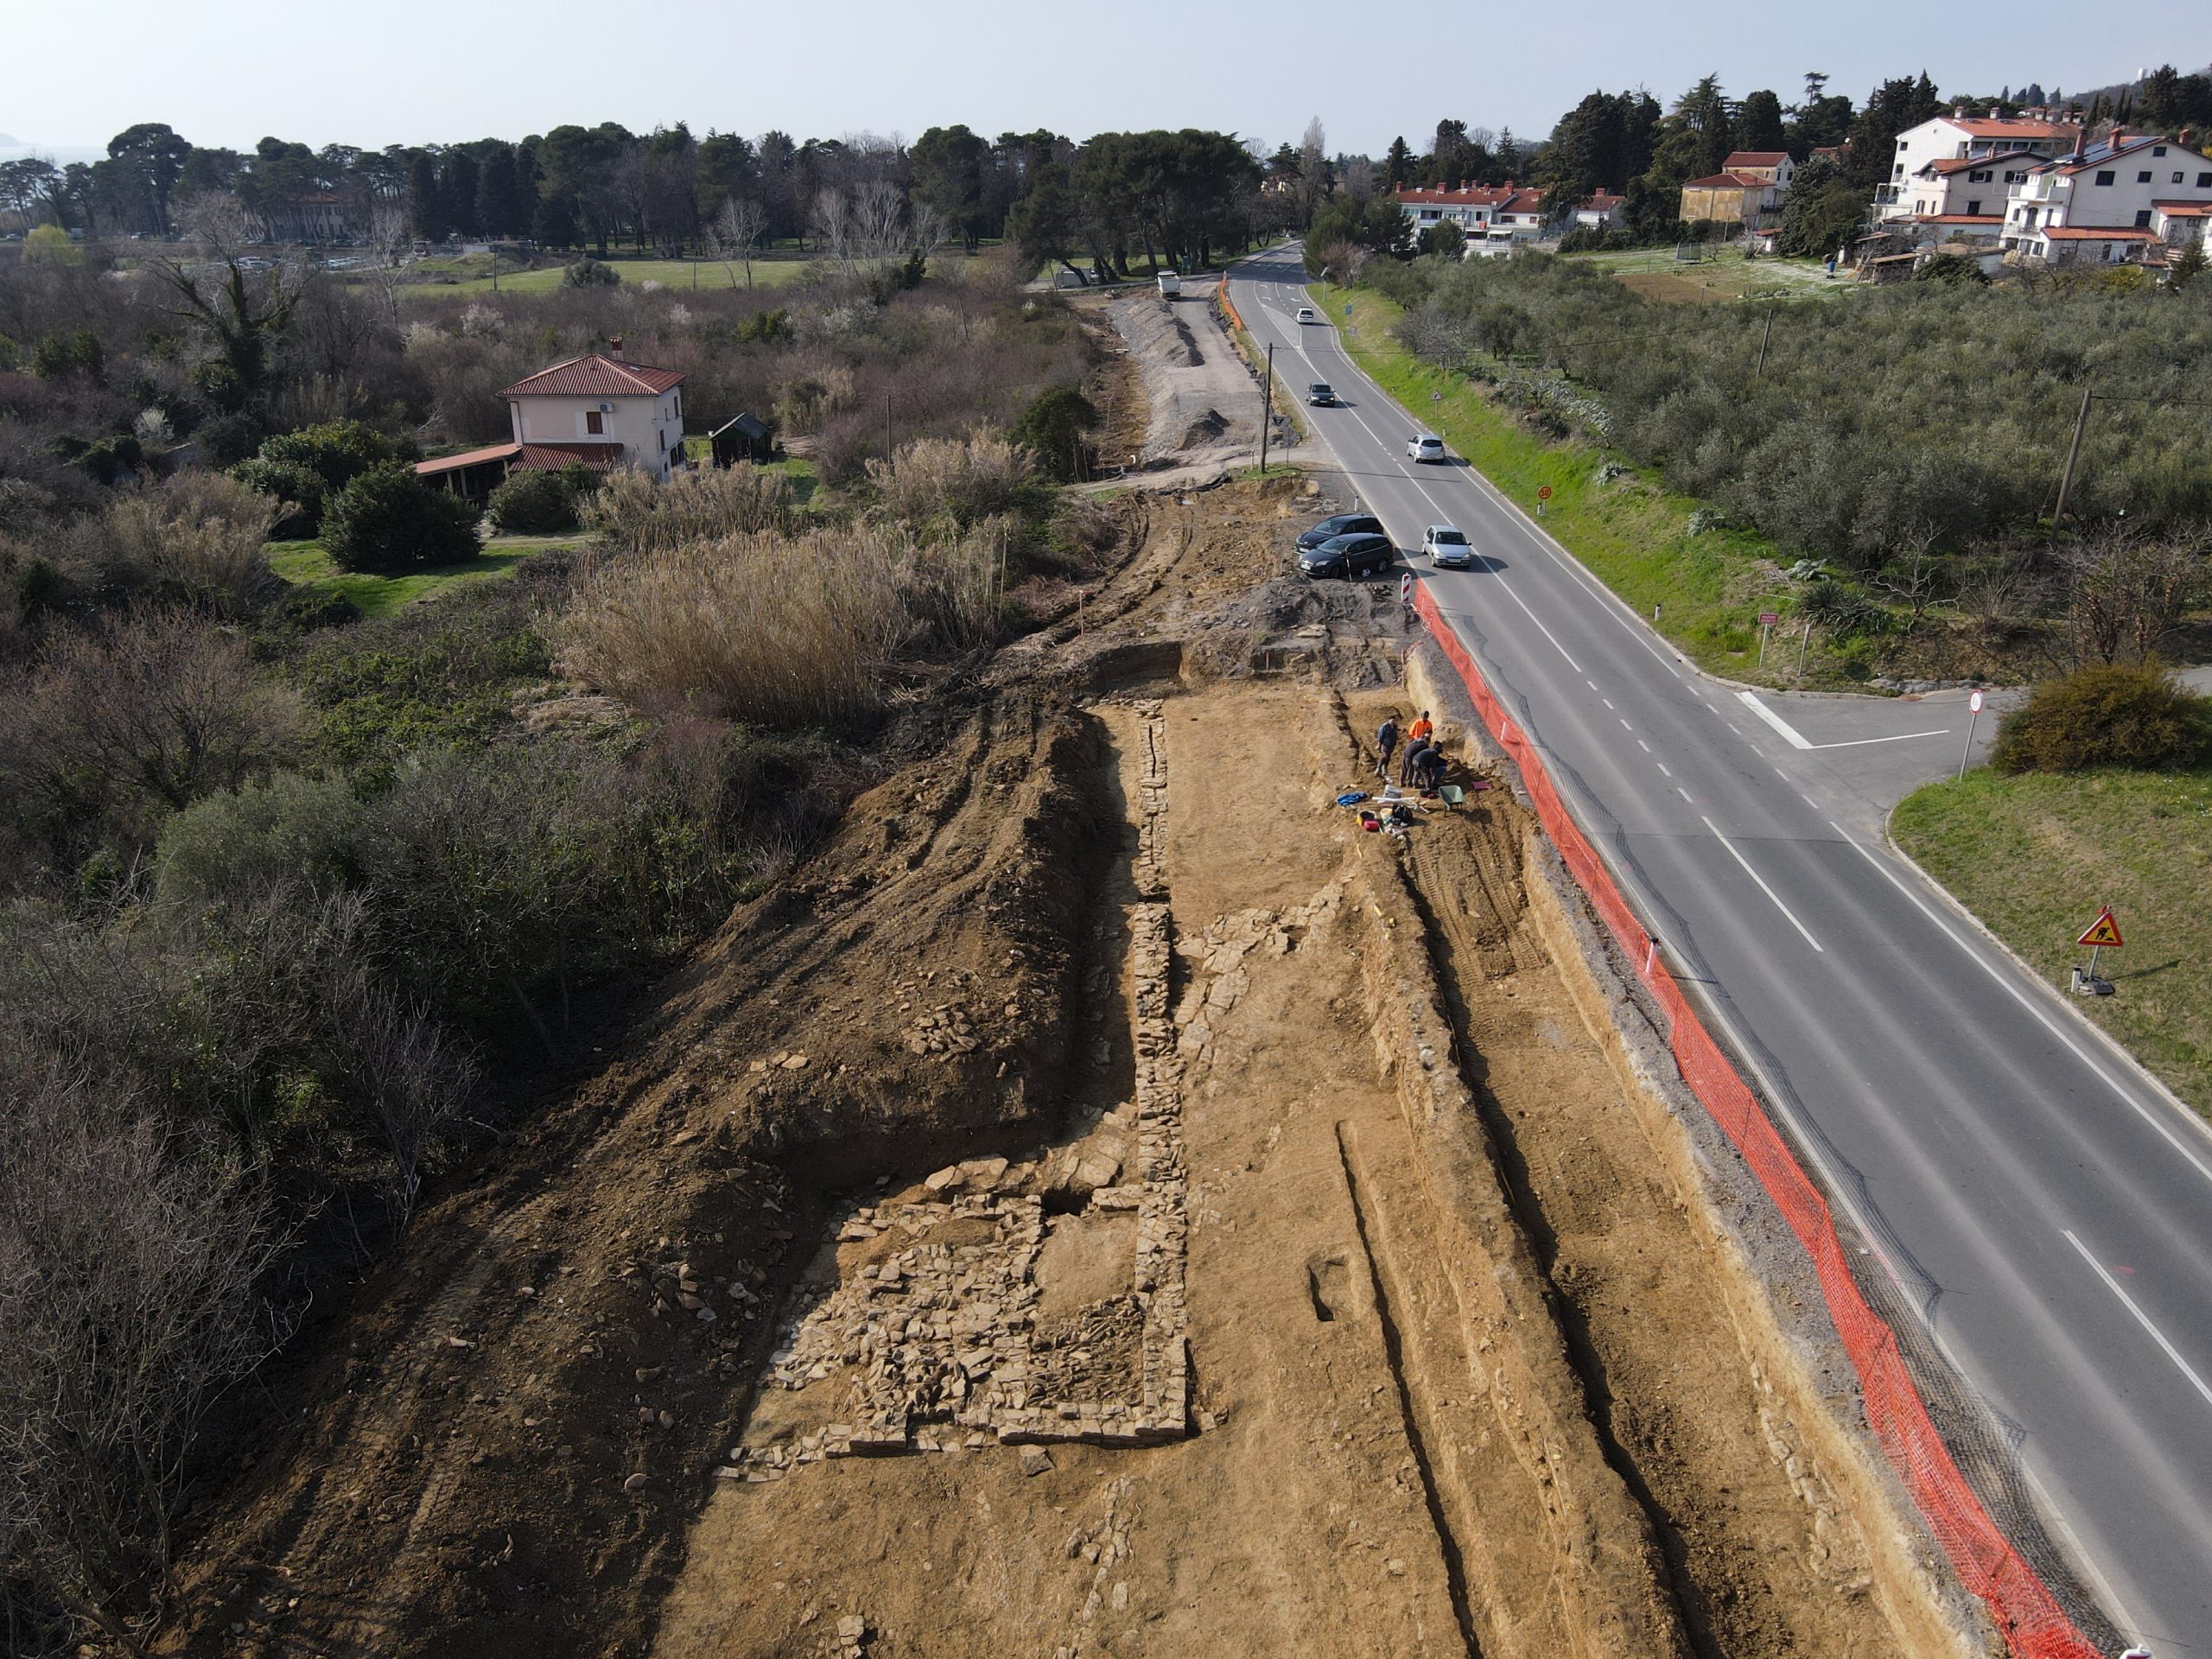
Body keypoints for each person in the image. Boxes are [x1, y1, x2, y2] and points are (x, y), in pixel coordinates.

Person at [1375, 714, 1399, 780]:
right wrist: (1379, 744)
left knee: (1388, 758)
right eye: (1392, 720)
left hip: (1392, 745)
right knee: (1385, 756)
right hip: (1385, 744)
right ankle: (1378, 768)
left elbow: (1396, 734)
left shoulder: (1395, 727)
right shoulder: (1384, 726)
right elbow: (1380, 736)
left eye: (1394, 720)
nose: (1393, 721)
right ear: (1389, 720)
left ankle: (1384, 769)